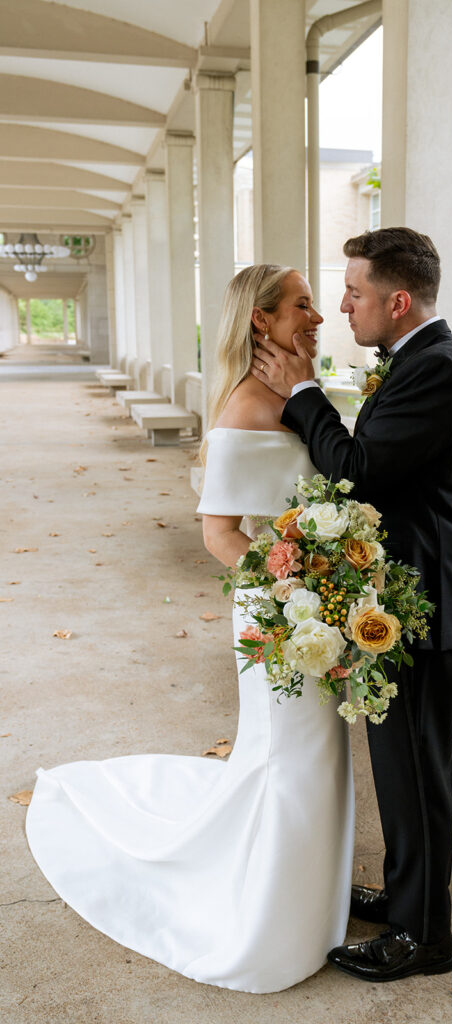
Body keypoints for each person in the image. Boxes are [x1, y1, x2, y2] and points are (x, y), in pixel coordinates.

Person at [25, 264, 355, 994]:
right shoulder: (243, 407)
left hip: (318, 605)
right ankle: (268, 918)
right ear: (261, 320)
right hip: (280, 614)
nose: (318, 316)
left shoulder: (299, 395)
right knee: (291, 759)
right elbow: (219, 534)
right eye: (302, 305)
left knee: (319, 759)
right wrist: (288, 601)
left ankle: (311, 900)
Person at [251, 227, 452, 983]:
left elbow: (357, 468)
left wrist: (299, 393)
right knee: (399, 773)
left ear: (397, 299)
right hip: (406, 599)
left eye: (352, 293)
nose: (342, 307)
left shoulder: (440, 370)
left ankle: (423, 939)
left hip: (425, 603)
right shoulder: (418, 362)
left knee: (416, 777)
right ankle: (403, 897)